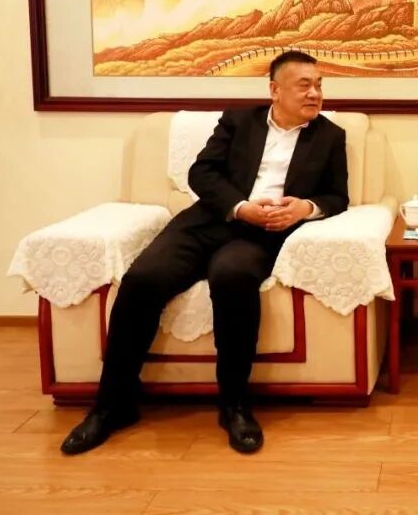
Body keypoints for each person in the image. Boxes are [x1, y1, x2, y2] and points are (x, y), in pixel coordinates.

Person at [61, 50, 348, 455]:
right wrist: (239, 207)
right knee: (142, 279)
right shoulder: (238, 121)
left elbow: (337, 196)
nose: (315, 93)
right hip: (209, 220)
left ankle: (234, 405)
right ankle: (112, 406)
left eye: (319, 85)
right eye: (304, 85)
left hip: (261, 235)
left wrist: (305, 207)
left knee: (233, 277)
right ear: (274, 90)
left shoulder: (330, 136)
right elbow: (202, 172)